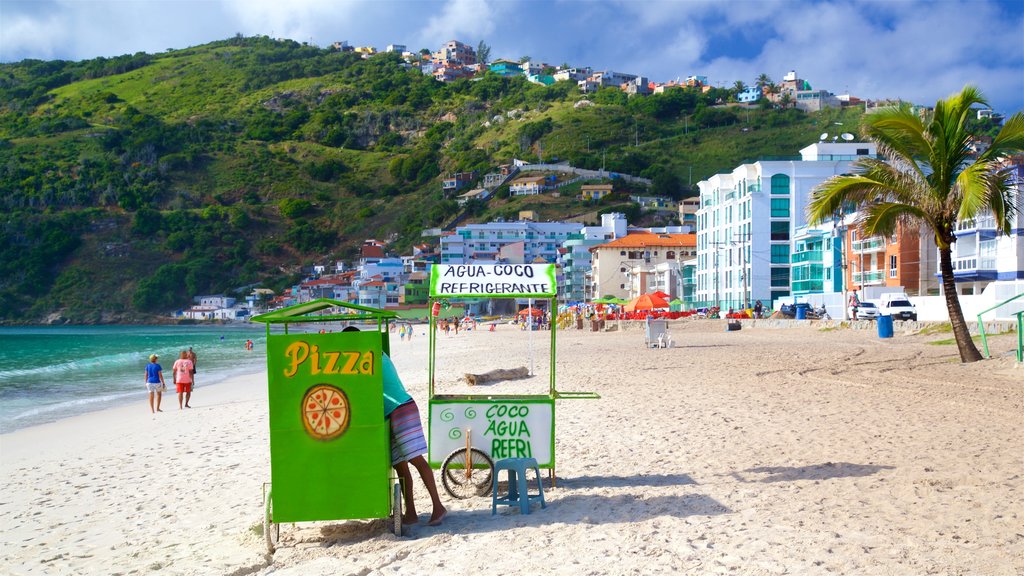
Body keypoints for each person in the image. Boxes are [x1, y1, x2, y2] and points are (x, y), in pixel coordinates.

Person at [343, 326, 446, 526]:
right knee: (400, 465)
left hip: (400, 408)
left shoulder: (368, 357)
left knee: (416, 460)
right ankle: (412, 513)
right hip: (393, 412)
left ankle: (438, 507)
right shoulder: (373, 353)